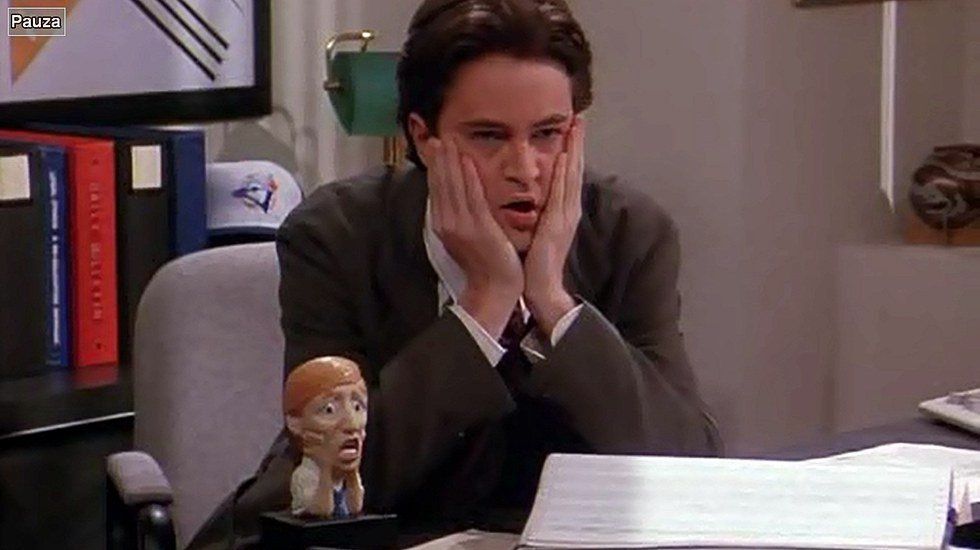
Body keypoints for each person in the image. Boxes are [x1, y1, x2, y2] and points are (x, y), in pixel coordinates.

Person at [189, 0, 720, 547]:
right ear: (424, 137)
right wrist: (484, 307)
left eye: (547, 134)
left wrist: (552, 303)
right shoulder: (338, 238)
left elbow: (689, 469)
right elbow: (322, 484)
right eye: (489, 136)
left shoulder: (629, 233)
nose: (525, 169)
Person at [283, 356, 368, 518]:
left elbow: (356, 507)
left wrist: (352, 472)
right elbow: (322, 512)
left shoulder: (343, 475)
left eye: (357, 407)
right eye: (329, 410)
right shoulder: (305, 476)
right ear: (295, 423)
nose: (352, 424)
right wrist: (325, 469)